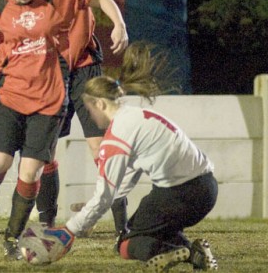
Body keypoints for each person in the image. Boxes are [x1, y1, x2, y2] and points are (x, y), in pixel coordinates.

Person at [0, 0, 111, 260]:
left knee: (30, 172)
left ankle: (12, 239)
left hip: (49, 101)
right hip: (10, 98)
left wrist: (118, 25)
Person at [47, 42, 218, 273]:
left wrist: (70, 230)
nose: (90, 117)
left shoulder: (116, 135)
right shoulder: (137, 115)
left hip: (178, 194)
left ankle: (174, 252)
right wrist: (90, 209)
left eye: (88, 110)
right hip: (207, 188)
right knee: (155, 229)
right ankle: (196, 253)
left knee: (127, 244)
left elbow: (105, 196)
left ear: (99, 103)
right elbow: (124, 181)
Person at [31, 0, 129, 230]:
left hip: (84, 71)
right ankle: (47, 225)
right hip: (50, 74)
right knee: (44, 151)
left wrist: (119, 24)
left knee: (99, 147)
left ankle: (121, 228)